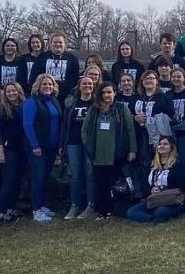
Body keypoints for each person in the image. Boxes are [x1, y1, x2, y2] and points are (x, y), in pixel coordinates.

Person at [82, 82, 137, 218]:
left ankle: (115, 211)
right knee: (101, 185)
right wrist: (88, 146)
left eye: (109, 92)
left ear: (114, 93)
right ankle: (102, 211)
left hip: (117, 154)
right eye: (104, 92)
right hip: (98, 155)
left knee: (116, 184)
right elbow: (84, 130)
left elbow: (130, 130)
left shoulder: (121, 108)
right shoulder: (93, 110)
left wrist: (132, 150)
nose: (106, 95)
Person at [23, 74, 61, 223]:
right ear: (38, 86)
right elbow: (27, 124)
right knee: (38, 177)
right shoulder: (31, 102)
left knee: (45, 177)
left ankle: (43, 205)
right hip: (37, 147)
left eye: (50, 85)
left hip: (51, 146)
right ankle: (36, 210)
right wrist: (34, 145)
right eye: (44, 84)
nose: (47, 87)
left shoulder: (54, 101)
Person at [59, 76, 97, 220]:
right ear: (79, 86)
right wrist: (62, 144)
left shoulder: (96, 104)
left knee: (90, 175)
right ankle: (74, 205)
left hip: (90, 144)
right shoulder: (71, 104)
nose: (87, 86)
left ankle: (91, 206)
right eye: (84, 84)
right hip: (73, 143)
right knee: (75, 176)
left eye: (90, 84)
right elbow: (65, 125)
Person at [131, 70, 174, 195]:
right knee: (143, 165)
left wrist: (152, 120)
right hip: (140, 135)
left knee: (158, 163)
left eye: (151, 78)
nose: (148, 81)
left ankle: (160, 193)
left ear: (157, 81)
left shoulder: (163, 97)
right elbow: (128, 115)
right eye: (145, 79)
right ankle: (145, 194)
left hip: (158, 137)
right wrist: (135, 118)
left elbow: (170, 115)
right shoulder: (136, 98)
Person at [126, 137, 185, 223]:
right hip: (155, 200)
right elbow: (145, 185)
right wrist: (151, 190)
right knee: (131, 212)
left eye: (165, 144)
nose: (162, 146)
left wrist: (163, 189)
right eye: (160, 144)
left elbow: (183, 185)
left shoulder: (178, 165)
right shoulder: (151, 166)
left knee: (160, 211)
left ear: (172, 147)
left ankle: (160, 215)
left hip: (171, 200)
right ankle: (152, 219)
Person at [0, 83, 26, 222]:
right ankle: (2, 212)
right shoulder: (0, 109)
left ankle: (11, 209)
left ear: (19, 91)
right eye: (8, 91)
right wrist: (0, 152)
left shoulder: (24, 106)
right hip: (7, 150)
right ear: (4, 93)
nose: (11, 93)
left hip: (22, 149)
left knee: (18, 181)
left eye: (14, 90)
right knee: (9, 181)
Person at [28, 32, 80, 103]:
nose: (57, 44)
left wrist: (67, 93)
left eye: (60, 42)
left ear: (65, 44)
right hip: (45, 95)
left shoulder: (72, 59)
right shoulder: (42, 57)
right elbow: (34, 76)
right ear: (50, 44)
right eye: (55, 42)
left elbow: (74, 79)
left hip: (65, 96)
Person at [168, 67, 185, 184]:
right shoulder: (168, 94)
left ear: (184, 78)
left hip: (184, 133)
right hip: (170, 134)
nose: (176, 79)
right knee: (172, 161)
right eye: (174, 77)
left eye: (179, 76)